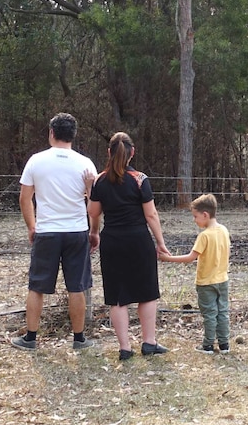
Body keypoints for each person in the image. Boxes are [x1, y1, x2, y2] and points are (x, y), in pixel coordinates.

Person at [12, 112, 98, 351]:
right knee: (77, 286)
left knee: (37, 286)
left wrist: (32, 226)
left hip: (47, 231)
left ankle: (30, 337)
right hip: (76, 231)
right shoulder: (85, 164)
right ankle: (79, 338)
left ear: (51, 133)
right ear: (73, 135)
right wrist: (94, 231)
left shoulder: (36, 161)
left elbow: (24, 198)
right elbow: (94, 205)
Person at [87, 132, 171, 361]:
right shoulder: (140, 179)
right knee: (147, 292)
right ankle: (149, 342)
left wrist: (94, 229)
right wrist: (161, 243)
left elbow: (93, 213)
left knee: (117, 296)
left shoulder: (99, 181)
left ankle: (125, 348)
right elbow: (151, 214)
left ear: (109, 152)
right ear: (132, 153)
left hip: (112, 241)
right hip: (138, 240)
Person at [161, 193, 231, 354]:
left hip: (206, 283)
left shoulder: (204, 235)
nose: (194, 220)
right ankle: (224, 344)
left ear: (205, 215)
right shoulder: (224, 230)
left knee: (210, 314)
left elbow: (191, 257)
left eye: (195, 216)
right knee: (222, 312)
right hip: (223, 280)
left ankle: (207, 345)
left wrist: (168, 258)